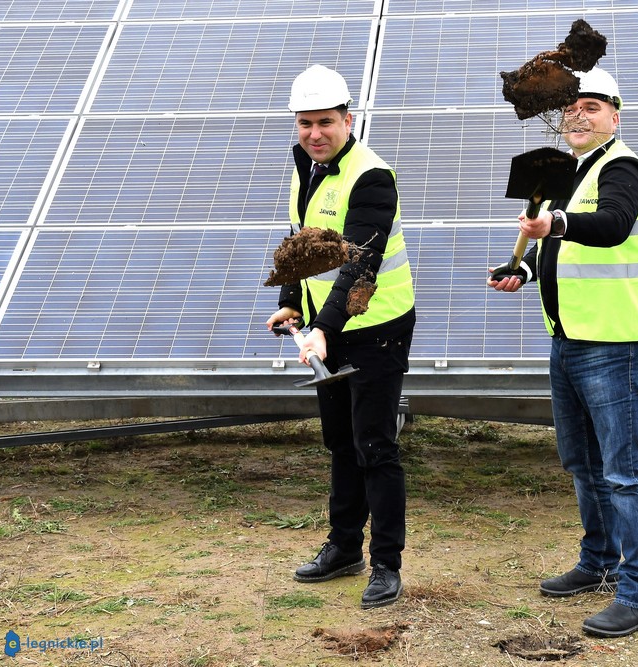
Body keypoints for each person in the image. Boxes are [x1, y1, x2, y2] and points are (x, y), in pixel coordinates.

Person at [488, 67, 638, 638]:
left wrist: (557, 220)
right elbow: (566, 250)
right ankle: (598, 563)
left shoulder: (623, 168)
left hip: (615, 344)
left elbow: (611, 227)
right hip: (569, 340)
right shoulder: (571, 173)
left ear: (615, 115)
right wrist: (524, 267)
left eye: (593, 105)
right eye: (572, 107)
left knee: (625, 472)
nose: (579, 114)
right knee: (583, 465)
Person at [266, 64, 416, 610]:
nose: (314, 134)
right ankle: (344, 547)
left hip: (376, 329)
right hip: (323, 331)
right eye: (305, 123)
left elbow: (358, 266)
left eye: (325, 122)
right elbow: (302, 245)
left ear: (348, 119)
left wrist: (324, 328)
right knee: (340, 444)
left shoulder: (372, 177)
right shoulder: (305, 164)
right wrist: (288, 302)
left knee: (375, 445)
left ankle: (387, 566)